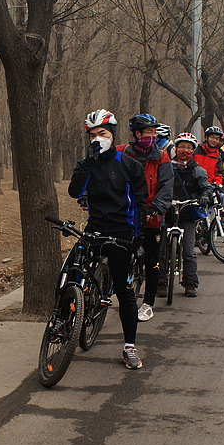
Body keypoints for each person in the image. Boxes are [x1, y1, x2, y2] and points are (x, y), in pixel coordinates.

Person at [69, 109, 148, 369]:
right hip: (94, 229)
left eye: (102, 134)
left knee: (124, 292)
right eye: (92, 135)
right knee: (73, 271)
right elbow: (73, 191)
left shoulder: (129, 166)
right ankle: (71, 315)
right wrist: (90, 162)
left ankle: (129, 347)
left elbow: (139, 204)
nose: (97, 138)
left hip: (122, 233)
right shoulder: (87, 164)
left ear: (112, 136)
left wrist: (138, 241)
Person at [120, 113, 173, 322]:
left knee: (153, 262)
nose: (152, 136)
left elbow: (167, 186)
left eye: (154, 132)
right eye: (148, 132)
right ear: (137, 133)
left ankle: (148, 303)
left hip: (151, 218)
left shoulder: (162, 156)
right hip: (126, 216)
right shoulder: (122, 152)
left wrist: (157, 208)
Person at [169, 133, 213, 297]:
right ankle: (161, 281)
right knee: (162, 249)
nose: (184, 150)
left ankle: (190, 283)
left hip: (188, 214)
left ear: (193, 150)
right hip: (169, 212)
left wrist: (203, 197)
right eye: (181, 146)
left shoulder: (198, 171)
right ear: (176, 148)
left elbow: (206, 188)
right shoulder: (168, 167)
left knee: (188, 250)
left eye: (188, 147)